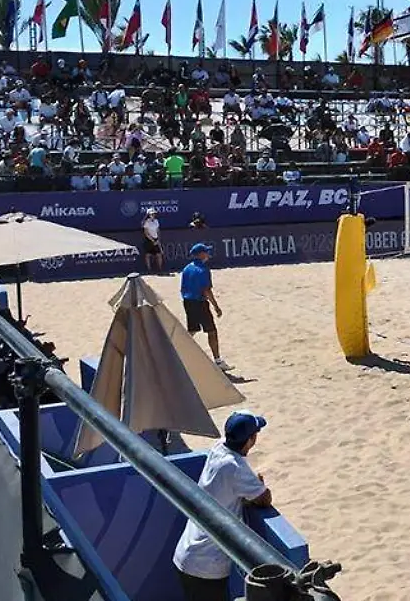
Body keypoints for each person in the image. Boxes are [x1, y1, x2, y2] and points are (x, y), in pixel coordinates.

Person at [172, 411, 272, 601]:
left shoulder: (218, 449)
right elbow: (264, 498)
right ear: (251, 440)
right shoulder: (234, 467)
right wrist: (257, 483)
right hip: (206, 566)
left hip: (188, 554)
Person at [181, 243, 231, 370]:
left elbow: (182, 288)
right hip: (200, 303)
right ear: (201, 254)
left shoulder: (187, 268)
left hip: (188, 302)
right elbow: (206, 291)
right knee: (212, 331)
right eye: (206, 252)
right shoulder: (203, 270)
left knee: (192, 330)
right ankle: (218, 361)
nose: (208, 254)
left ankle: (179, 354)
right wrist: (216, 307)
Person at [142, 208, 164, 273]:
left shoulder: (156, 221)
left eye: (154, 214)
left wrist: (158, 240)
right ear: (149, 215)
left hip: (156, 239)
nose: (153, 215)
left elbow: (158, 231)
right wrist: (152, 240)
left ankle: (160, 269)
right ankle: (149, 270)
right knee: (148, 255)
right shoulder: (146, 222)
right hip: (149, 240)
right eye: (152, 214)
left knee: (159, 254)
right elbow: (146, 233)